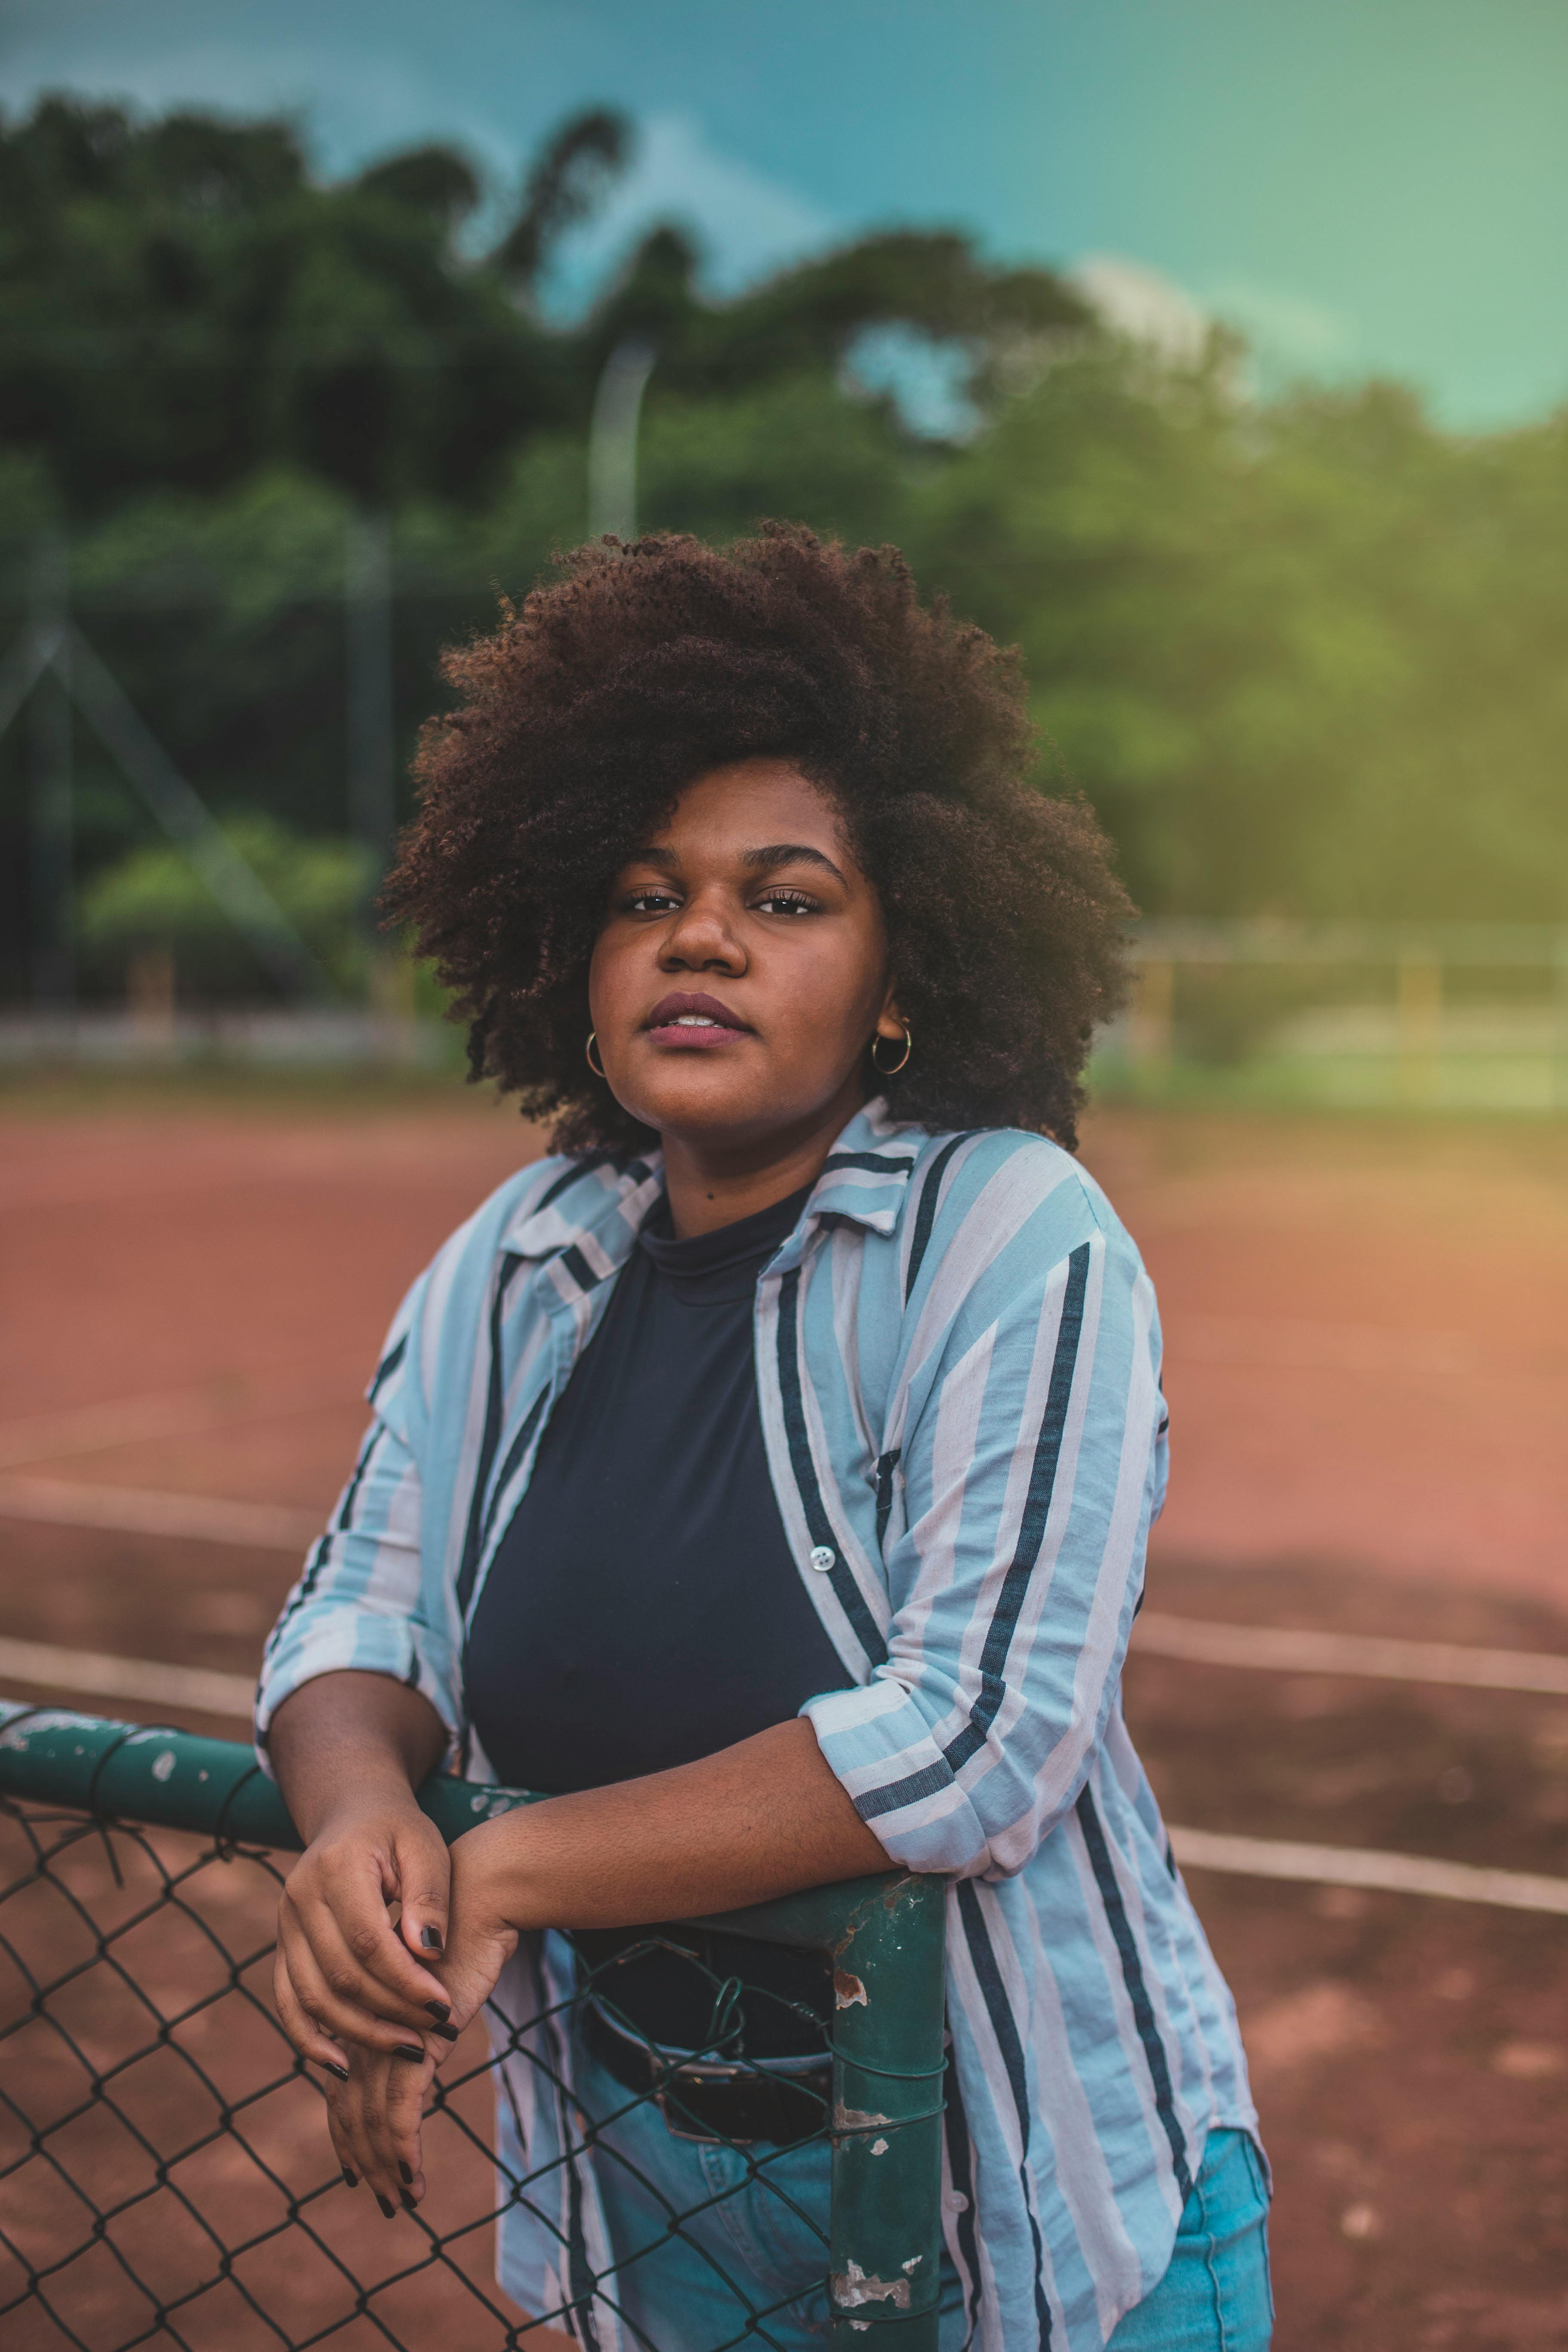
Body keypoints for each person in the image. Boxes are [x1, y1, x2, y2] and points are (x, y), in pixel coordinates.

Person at [257, 525, 1269, 2352]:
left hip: (1025, 2195)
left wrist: (499, 1869)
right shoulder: (519, 1257)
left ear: (903, 980)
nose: (700, 935)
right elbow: (359, 1615)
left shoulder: (1009, 1233)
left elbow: (977, 1737)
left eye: (786, 899)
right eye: (646, 897)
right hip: (663, 2198)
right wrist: (355, 1833)